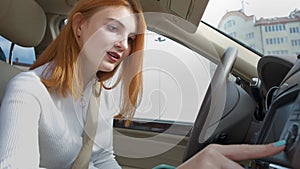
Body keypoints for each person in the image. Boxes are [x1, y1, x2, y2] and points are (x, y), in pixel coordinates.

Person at [0, 0, 286, 168]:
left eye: (130, 38)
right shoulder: (27, 92)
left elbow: (102, 161)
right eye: (113, 28)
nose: (123, 45)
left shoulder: (99, 93)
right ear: (78, 26)